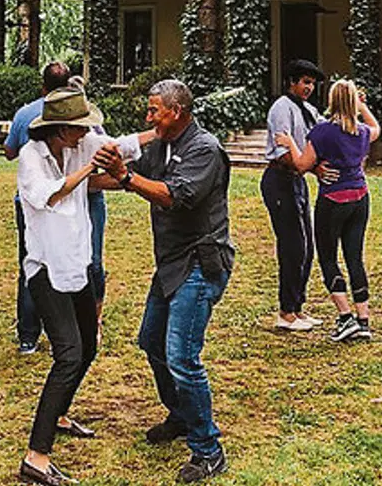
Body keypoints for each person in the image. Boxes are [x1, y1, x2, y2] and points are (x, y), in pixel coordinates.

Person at [93, 79, 233, 483]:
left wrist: (124, 177)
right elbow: (120, 176)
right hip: (171, 265)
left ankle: (208, 451)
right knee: (151, 341)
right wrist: (75, 174)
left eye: (154, 110)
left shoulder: (203, 149)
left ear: (177, 111)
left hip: (201, 264)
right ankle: (181, 415)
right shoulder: (160, 145)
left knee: (182, 358)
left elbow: (174, 195)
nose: (148, 116)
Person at [15, 87, 149, 486]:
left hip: (77, 264)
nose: (87, 133)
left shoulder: (80, 145)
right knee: (69, 354)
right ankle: (36, 457)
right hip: (46, 269)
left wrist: (156, 133)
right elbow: (47, 196)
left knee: (88, 345)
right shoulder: (30, 158)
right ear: (60, 130)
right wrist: (90, 172)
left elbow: (117, 147)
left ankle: (58, 414)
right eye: (80, 128)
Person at [275, 78, 382, 343]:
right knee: (355, 258)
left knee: (328, 258)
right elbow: (376, 127)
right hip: (360, 198)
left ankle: (345, 318)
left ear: (331, 101)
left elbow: (301, 165)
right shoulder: (362, 131)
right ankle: (364, 320)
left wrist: (289, 142)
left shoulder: (323, 132)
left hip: (333, 201)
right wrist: (361, 106)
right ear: (353, 101)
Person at [6, 62, 76, 353]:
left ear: (43, 85)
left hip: (32, 203)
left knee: (31, 265)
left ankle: (28, 335)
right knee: (69, 262)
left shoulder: (25, 113)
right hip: (69, 202)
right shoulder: (79, 112)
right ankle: (66, 332)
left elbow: (10, 152)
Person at [262, 58, 323, 331]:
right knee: (292, 246)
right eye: (305, 82)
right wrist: (311, 166)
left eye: (312, 83)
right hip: (280, 179)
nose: (309, 87)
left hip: (298, 180)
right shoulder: (281, 109)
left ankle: (298, 307)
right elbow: (285, 154)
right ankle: (285, 313)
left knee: (307, 247)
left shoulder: (308, 110)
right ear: (292, 82)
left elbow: (323, 135)